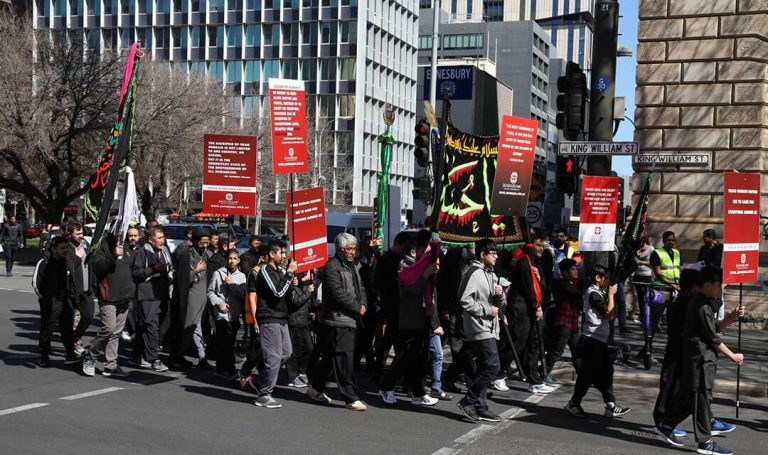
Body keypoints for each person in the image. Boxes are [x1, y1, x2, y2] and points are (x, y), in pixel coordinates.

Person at [656, 267, 745, 455]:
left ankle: (666, 425)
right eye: (718, 286)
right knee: (702, 401)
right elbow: (713, 338)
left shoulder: (704, 302)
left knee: (690, 400)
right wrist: (733, 356)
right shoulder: (701, 306)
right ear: (707, 286)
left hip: (700, 361)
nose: (720, 290)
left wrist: (732, 316)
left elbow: (716, 328)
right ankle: (705, 442)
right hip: (700, 362)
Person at [379, 229, 441, 407]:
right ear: (419, 248)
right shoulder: (406, 265)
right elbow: (411, 291)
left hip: (422, 317)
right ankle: (386, 385)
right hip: (408, 318)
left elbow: (430, 293)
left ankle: (418, 392)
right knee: (405, 356)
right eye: (427, 249)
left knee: (418, 358)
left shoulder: (425, 265)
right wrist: (425, 274)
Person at [307, 233, 368, 411]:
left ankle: (315, 388)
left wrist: (363, 304)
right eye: (349, 249)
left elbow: (361, 288)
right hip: (336, 319)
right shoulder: (331, 267)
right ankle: (350, 397)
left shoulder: (353, 266)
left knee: (329, 357)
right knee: (344, 357)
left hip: (350, 318)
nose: (352, 252)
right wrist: (356, 307)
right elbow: (337, 293)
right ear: (340, 250)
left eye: (354, 249)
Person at [565, 265, 630, 419]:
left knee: (603, 373)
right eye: (605, 277)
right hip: (591, 341)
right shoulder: (593, 293)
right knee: (590, 375)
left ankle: (609, 405)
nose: (607, 281)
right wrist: (612, 295)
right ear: (597, 278)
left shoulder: (599, 292)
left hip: (598, 340)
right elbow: (608, 314)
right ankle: (575, 403)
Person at [455, 238, 505, 423]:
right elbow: (464, 299)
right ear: (482, 254)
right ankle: (468, 400)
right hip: (478, 326)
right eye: (492, 253)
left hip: (491, 325)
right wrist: (486, 310)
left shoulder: (491, 273)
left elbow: (494, 300)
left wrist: (500, 294)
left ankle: (480, 405)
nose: (496, 256)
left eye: (496, 253)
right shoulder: (474, 272)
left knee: (485, 366)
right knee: (493, 365)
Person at [249, 240, 297, 409]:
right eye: (281, 253)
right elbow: (276, 292)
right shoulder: (264, 270)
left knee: (286, 353)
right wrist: (289, 275)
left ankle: (258, 380)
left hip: (281, 317)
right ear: (271, 254)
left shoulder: (281, 270)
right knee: (273, 357)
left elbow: (285, 294)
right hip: (269, 318)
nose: (284, 256)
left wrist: (292, 283)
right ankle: (264, 394)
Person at [81, 233, 135, 377]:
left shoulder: (126, 251)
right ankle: (90, 354)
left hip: (124, 298)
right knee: (108, 328)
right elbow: (100, 268)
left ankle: (110, 365)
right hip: (108, 298)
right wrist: (112, 256)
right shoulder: (100, 253)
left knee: (116, 333)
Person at [508, 232, 553, 394]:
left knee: (532, 344)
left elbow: (542, 286)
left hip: (531, 308)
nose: (542, 249)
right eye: (539, 245)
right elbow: (528, 288)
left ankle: (534, 379)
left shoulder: (537, 263)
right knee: (518, 342)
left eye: (543, 245)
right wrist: (537, 307)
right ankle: (497, 372)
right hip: (522, 308)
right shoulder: (524, 262)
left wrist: (540, 277)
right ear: (531, 245)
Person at [130, 226, 172, 372]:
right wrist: (153, 269)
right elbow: (137, 272)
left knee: (148, 326)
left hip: (162, 293)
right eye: (159, 238)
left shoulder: (165, 251)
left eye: (163, 238)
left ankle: (136, 354)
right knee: (151, 326)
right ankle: (154, 359)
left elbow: (169, 268)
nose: (162, 241)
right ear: (151, 239)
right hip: (148, 295)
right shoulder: (143, 252)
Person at [171, 227, 213, 369]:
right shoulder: (186, 255)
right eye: (202, 243)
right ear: (194, 241)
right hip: (190, 299)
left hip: (203, 298)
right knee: (188, 328)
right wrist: (195, 271)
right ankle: (177, 356)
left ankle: (199, 357)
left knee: (198, 328)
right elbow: (181, 279)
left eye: (207, 243)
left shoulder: (208, 254)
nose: (205, 246)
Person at [372, 231, 412, 377]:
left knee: (393, 341)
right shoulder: (388, 259)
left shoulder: (398, 259)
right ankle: (381, 371)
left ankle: (385, 371)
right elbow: (379, 282)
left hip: (396, 305)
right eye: (406, 247)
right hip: (391, 305)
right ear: (400, 244)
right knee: (390, 341)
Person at [207, 249, 246, 379]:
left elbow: (242, 295)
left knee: (231, 342)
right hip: (222, 314)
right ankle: (226, 368)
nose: (232, 261)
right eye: (230, 258)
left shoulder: (242, 276)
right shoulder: (218, 273)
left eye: (235, 259)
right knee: (224, 342)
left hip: (234, 314)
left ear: (238, 260)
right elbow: (211, 292)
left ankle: (225, 367)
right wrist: (220, 303)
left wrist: (232, 285)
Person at [37, 237, 76, 366]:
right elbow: (37, 284)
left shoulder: (68, 262)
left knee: (67, 329)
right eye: (62, 248)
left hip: (65, 300)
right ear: (54, 249)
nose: (65, 250)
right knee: (48, 328)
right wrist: (45, 299)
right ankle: (44, 355)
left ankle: (70, 353)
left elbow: (74, 281)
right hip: (50, 302)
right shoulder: (45, 263)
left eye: (67, 247)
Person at [544, 258, 582, 385]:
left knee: (577, 350)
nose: (576, 271)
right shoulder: (563, 284)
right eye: (573, 269)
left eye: (576, 269)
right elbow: (577, 294)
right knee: (557, 349)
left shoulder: (575, 283)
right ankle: (544, 372)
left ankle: (583, 376)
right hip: (563, 321)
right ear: (565, 272)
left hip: (573, 322)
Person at [239, 244, 269, 389]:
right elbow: (252, 297)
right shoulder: (255, 272)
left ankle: (261, 374)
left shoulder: (269, 271)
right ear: (264, 257)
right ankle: (245, 370)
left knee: (263, 348)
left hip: (266, 315)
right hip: (255, 317)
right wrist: (256, 320)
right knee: (257, 348)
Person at [65, 221, 93, 357]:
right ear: (69, 235)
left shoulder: (85, 245)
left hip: (87, 288)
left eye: (82, 233)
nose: (81, 236)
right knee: (70, 319)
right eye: (77, 234)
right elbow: (69, 264)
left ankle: (76, 337)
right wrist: (79, 257)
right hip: (74, 289)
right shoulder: (67, 248)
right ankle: (71, 347)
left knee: (89, 316)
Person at [286, 270, 316, 388]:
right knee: (293, 351)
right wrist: (308, 292)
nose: (308, 275)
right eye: (304, 274)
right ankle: (293, 376)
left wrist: (310, 312)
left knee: (309, 348)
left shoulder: (306, 285)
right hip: (294, 322)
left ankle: (302, 371)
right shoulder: (292, 286)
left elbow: (306, 304)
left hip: (304, 322)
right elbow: (296, 302)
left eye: (307, 273)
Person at [650, 231, 682, 335]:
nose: (671, 242)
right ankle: (648, 342)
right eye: (668, 240)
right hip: (661, 289)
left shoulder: (677, 253)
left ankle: (671, 343)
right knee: (656, 316)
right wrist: (673, 284)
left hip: (675, 290)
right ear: (663, 241)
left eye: (673, 240)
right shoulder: (657, 253)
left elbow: (680, 269)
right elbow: (658, 273)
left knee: (672, 318)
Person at [121, 226, 142, 342]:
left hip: (140, 286)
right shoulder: (123, 250)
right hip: (127, 286)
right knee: (129, 310)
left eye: (135, 235)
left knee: (137, 311)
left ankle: (136, 332)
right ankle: (132, 331)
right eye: (130, 236)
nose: (133, 238)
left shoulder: (143, 249)